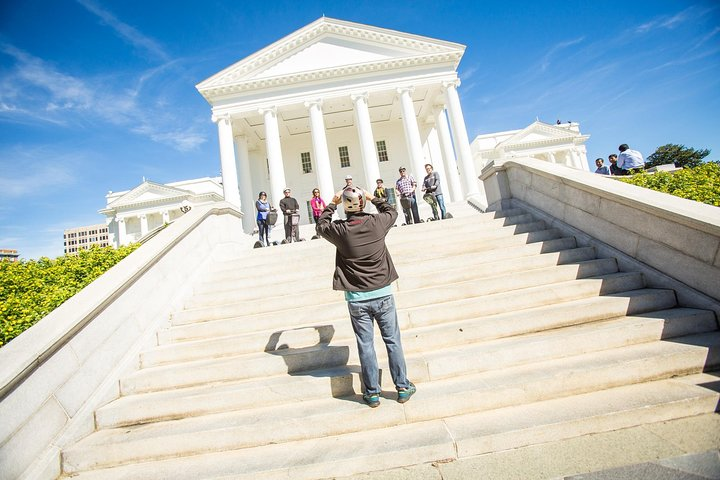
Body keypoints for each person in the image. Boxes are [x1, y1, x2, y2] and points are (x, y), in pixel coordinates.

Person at [316, 186, 415, 408]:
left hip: (357, 299)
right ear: (363, 203)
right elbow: (392, 210)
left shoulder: (340, 230)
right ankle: (402, 387)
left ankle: (372, 393)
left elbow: (321, 225)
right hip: (383, 294)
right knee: (393, 342)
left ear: (345, 206)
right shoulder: (377, 223)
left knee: (366, 345)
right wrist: (373, 198)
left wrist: (332, 203)